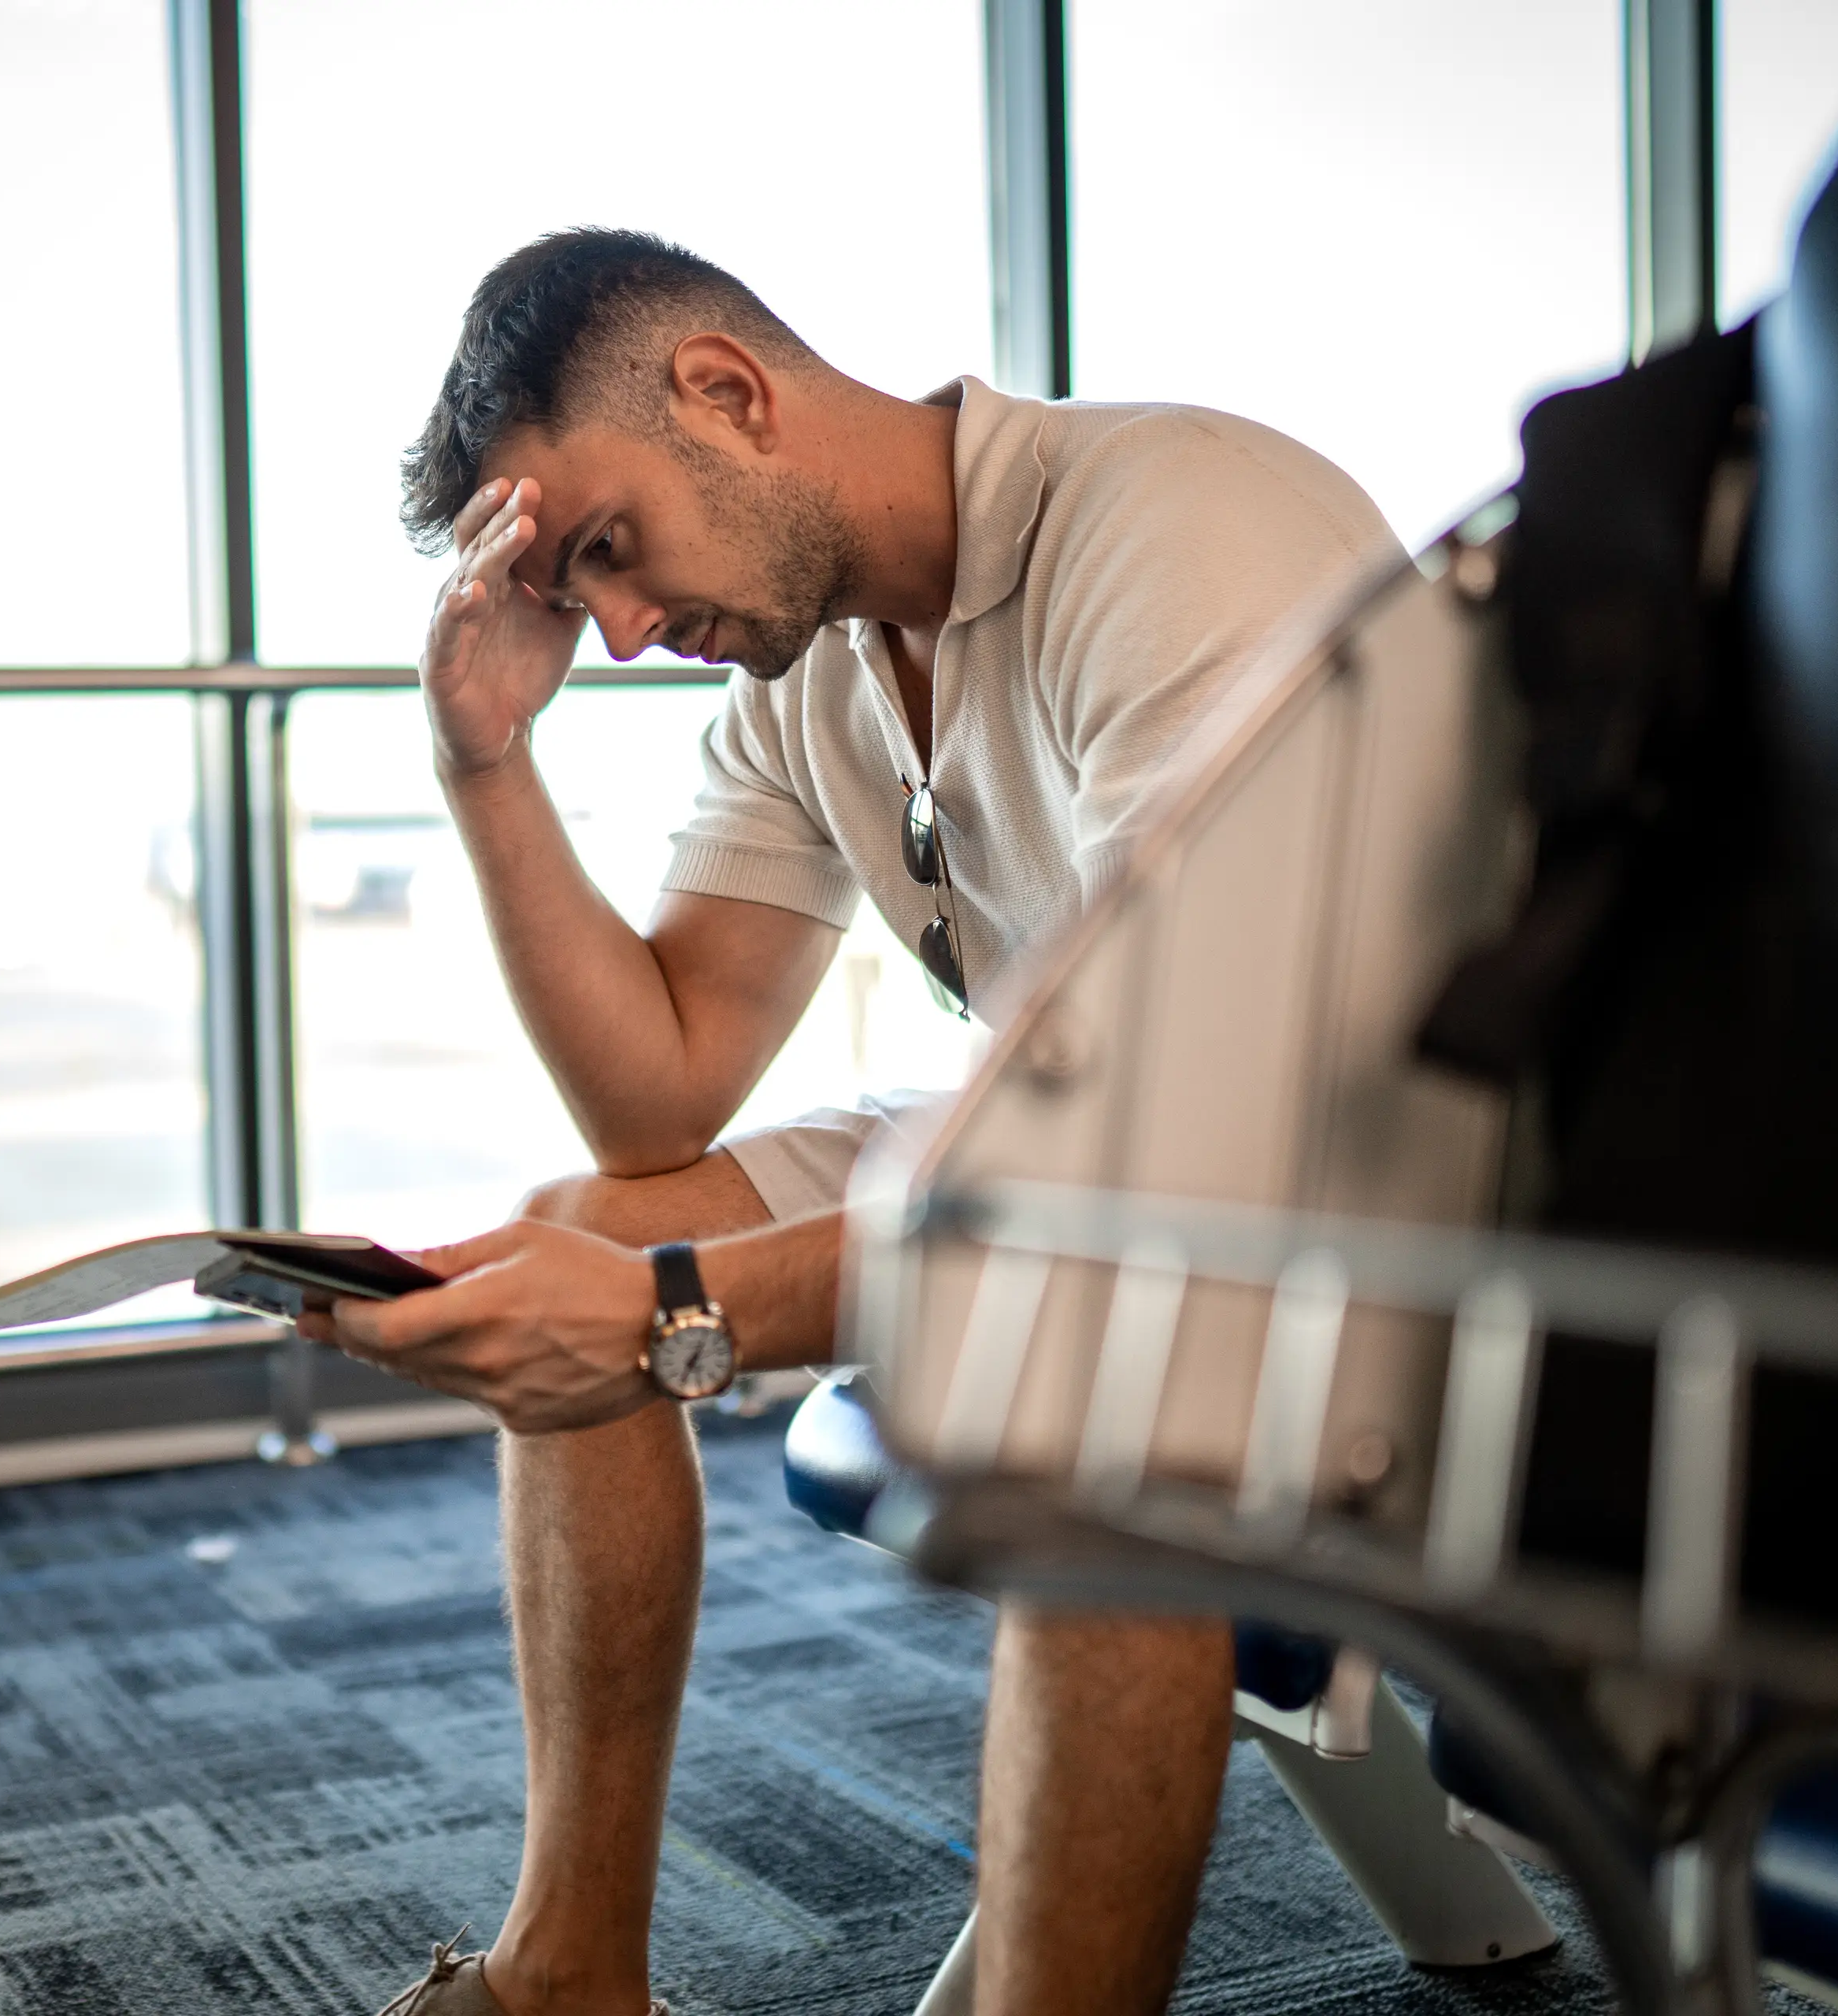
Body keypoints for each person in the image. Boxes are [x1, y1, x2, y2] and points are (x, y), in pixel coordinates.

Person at [321, 228, 1398, 2016]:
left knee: (1081, 1376)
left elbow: (1180, 1160)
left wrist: (685, 1309)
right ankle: (569, 1971)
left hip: (1391, 1195)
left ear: (729, 395)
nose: (626, 631)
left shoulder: (1172, 523)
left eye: (606, 549)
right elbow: (655, 1094)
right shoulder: (813, 670)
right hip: (1111, 1153)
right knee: (582, 1209)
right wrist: (485, 764)